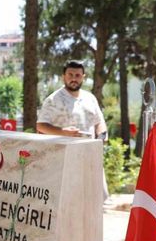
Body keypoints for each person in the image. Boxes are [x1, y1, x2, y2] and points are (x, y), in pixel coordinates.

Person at [36, 59, 109, 200]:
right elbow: (41, 126)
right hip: (63, 159)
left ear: (83, 77)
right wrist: (63, 132)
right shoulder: (53, 99)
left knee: (95, 200)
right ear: (63, 76)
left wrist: (101, 137)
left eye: (77, 75)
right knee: (67, 200)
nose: (74, 79)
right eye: (70, 75)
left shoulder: (90, 98)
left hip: (90, 156)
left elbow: (99, 122)